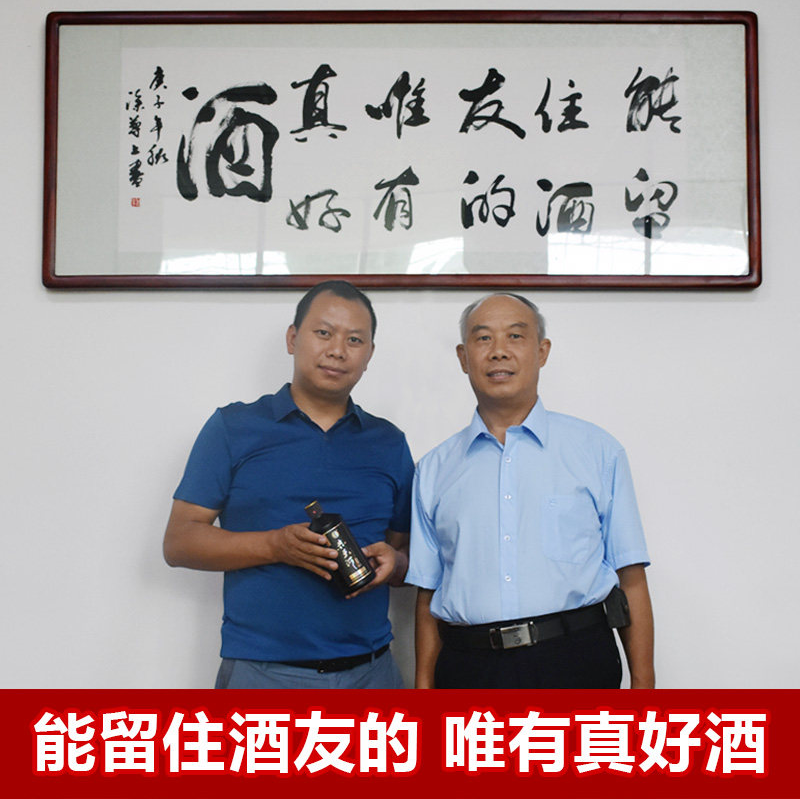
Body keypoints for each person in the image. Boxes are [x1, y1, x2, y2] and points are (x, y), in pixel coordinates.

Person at [163, 280, 414, 688]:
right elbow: (178, 542)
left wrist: (397, 563)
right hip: (262, 674)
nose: (337, 350)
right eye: (324, 333)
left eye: (354, 339)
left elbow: (403, 555)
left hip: (372, 674)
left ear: (369, 355)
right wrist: (275, 545)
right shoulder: (234, 427)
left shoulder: (389, 442)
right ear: (293, 339)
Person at [407, 293, 654, 689]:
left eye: (515, 336)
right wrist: (423, 689)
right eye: (483, 338)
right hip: (469, 668)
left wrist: (644, 686)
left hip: (576, 661)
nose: (499, 351)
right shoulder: (434, 469)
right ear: (463, 357)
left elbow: (631, 576)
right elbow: (428, 592)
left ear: (542, 351)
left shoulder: (597, 451)